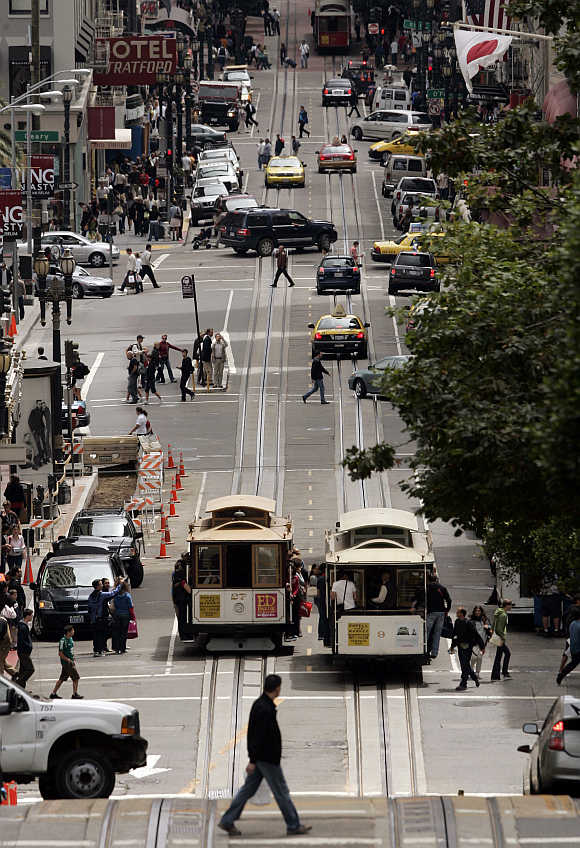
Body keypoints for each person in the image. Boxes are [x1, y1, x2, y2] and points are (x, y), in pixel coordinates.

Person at [218, 674, 311, 837]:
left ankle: (227, 820)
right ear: (277, 688)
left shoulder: (261, 704)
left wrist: (253, 759)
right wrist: (253, 760)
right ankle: (293, 824)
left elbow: (253, 735)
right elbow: (258, 737)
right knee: (281, 791)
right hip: (267, 759)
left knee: (247, 790)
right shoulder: (265, 709)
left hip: (262, 758)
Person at [411, 573, 452, 659]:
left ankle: (424, 650)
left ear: (429, 580)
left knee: (427, 632)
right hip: (441, 613)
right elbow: (449, 600)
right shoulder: (442, 588)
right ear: (436, 579)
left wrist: (414, 606)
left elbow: (420, 598)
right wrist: (446, 610)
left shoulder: (427, 588)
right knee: (437, 633)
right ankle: (434, 653)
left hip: (431, 612)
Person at [451, 608, 484, 691]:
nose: (456, 613)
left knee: (465, 664)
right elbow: (454, 634)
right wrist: (452, 646)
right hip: (460, 647)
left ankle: (463, 684)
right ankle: (474, 678)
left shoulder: (468, 623)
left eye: (458, 612)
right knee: (464, 665)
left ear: (462, 613)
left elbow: (476, 635)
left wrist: (482, 646)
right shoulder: (457, 622)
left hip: (468, 647)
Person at [50, 624, 83, 699]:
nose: (73, 632)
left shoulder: (71, 639)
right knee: (76, 677)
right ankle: (75, 694)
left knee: (62, 679)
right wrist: (68, 660)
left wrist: (73, 658)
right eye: (72, 630)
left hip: (70, 662)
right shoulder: (63, 641)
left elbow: (71, 651)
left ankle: (53, 693)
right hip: (67, 663)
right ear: (68, 632)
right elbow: (60, 653)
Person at [490, 598, 512, 680]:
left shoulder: (499, 612)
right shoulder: (503, 615)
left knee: (498, 656)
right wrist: (503, 637)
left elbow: (494, 625)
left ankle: (496, 675)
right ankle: (504, 672)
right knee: (507, 654)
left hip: (497, 637)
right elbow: (499, 629)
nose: (511, 607)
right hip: (500, 638)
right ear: (507, 605)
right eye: (510, 605)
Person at [111, 581, 134, 654]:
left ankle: (117, 648)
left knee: (117, 632)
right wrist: (132, 616)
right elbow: (130, 606)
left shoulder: (115, 595)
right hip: (125, 615)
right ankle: (122, 648)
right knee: (124, 633)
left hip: (117, 615)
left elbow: (113, 606)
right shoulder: (127, 596)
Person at [12, 608, 34, 687]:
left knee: (23, 670)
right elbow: (22, 641)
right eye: (31, 615)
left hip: (24, 651)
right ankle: (18, 684)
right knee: (30, 669)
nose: (32, 617)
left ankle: (21, 688)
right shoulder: (22, 627)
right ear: (27, 616)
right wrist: (28, 646)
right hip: (23, 652)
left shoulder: (24, 625)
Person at [469, 605, 491, 677]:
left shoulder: (485, 620)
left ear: (481, 612)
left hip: (482, 642)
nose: (477, 612)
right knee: (474, 657)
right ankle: (471, 670)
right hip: (474, 642)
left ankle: (477, 673)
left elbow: (491, 629)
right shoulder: (471, 621)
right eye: (476, 611)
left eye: (479, 611)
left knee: (479, 657)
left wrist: (488, 627)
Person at [558, 615, 580, 684]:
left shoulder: (572, 623)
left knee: (572, 664)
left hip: (573, 648)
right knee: (573, 664)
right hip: (578, 649)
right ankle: (561, 674)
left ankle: (561, 674)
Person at [315, 563, 330, 644]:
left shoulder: (320, 579)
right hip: (326, 601)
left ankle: (321, 634)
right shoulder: (328, 578)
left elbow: (318, 593)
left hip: (321, 601)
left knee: (322, 617)